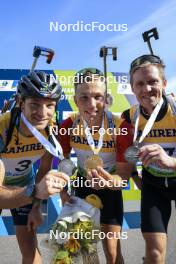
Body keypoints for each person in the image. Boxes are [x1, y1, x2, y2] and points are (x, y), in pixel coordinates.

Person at [91, 55, 176, 264]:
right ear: (132, 87)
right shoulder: (129, 117)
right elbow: (126, 162)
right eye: (140, 84)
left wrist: (171, 162)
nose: (146, 89)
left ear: (163, 83)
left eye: (153, 82)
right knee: (155, 254)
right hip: (154, 186)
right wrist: (124, 179)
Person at [0, 70, 69, 264]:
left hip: (24, 182)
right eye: (35, 104)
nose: (43, 112)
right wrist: (35, 192)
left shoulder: (50, 127)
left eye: (50, 106)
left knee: (30, 251)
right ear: (21, 103)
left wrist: (36, 206)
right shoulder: (3, 129)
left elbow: (45, 168)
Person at [58, 68, 125, 264]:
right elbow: (63, 161)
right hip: (81, 186)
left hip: (111, 189)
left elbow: (124, 175)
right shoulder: (68, 125)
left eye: (98, 97)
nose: (92, 104)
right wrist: (64, 190)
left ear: (106, 98)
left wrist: (110, 181)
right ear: (75, 99)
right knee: (87, 251)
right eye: (84, 97)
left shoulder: (120, 126)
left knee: (112, 253)